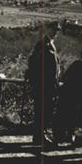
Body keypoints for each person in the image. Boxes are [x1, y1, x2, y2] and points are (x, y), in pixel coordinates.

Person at [26, 21, 61, 150]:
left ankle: (39, 136)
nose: (55, 33)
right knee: (42, 111)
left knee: (45, 110)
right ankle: (41, 136)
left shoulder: (50, 44)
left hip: (49, 85)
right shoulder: (42, 44)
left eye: (57, 31)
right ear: (48, 29)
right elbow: (34, 64)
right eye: (53, 30)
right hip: (43, 85)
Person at [55, 47, 82, 145]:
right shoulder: (78, 65)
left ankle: (74, 136)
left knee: (76, 117)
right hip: (73, 95)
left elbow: (65, 77)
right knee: (70, 116)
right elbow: (66, 78)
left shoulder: (81, 65)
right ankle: (68, 135)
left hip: (81, 96)